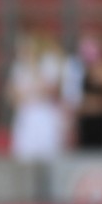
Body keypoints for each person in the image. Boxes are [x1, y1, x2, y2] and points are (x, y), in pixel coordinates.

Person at [6, 28, 68, 163]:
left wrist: (30, 88)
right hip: (26, 116)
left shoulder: (48, 64)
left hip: (45, 115)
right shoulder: (18, 68)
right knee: (24, 156)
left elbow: (50, 90)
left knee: (48, 155)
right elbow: (13, 96)